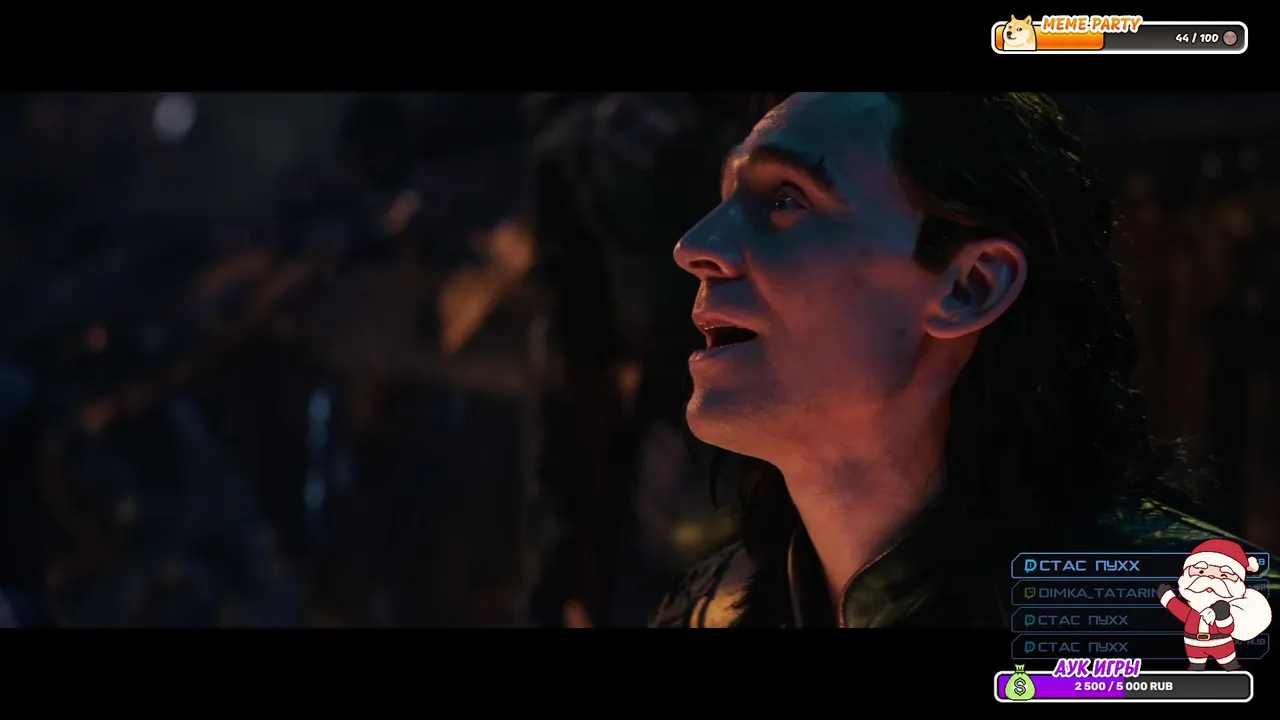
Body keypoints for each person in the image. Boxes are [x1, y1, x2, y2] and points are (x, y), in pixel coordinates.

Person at [649, 92, 1279, 628]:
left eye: (787, 199)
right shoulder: (703, 612)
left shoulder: (1188, 627)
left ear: (970, 286)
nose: (695, 245)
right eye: (726, 199)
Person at [1156, 539, 1272, 671]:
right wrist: (1168, 598)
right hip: (1193, 645)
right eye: (1201, 572)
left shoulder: (1226, 610)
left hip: (1221, 644)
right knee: (1196, 668)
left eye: (1223, 575)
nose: (1211, 578)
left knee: (1231, 666)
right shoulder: (1193, 612)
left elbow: (1226, 629)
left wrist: (1222, 615)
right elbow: (1181, 611)